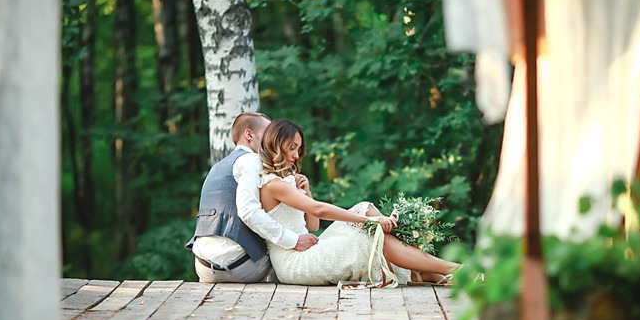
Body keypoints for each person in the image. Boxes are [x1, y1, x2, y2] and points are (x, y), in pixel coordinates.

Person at [257, 119, 459, 286]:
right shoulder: (272, 185)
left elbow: (312, 226)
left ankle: (427, 272)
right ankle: (450, 269)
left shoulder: (287, 181)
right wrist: (368, 221)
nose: (295, 155)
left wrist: (307, 192)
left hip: (308, 247)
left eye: (298, 149)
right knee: (373, 233)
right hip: (295, 263)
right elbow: (319, 211)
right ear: (277, 144)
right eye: (292, 148)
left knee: (367, 209)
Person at [187, 112, 319, 283]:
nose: (273, 141)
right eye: (268, 135)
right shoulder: (252, 161)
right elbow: (249, 212)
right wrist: (294, 241)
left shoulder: (218, 167)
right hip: (238, 267)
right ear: (249, 135)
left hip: (202, 266)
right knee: (283, 253)